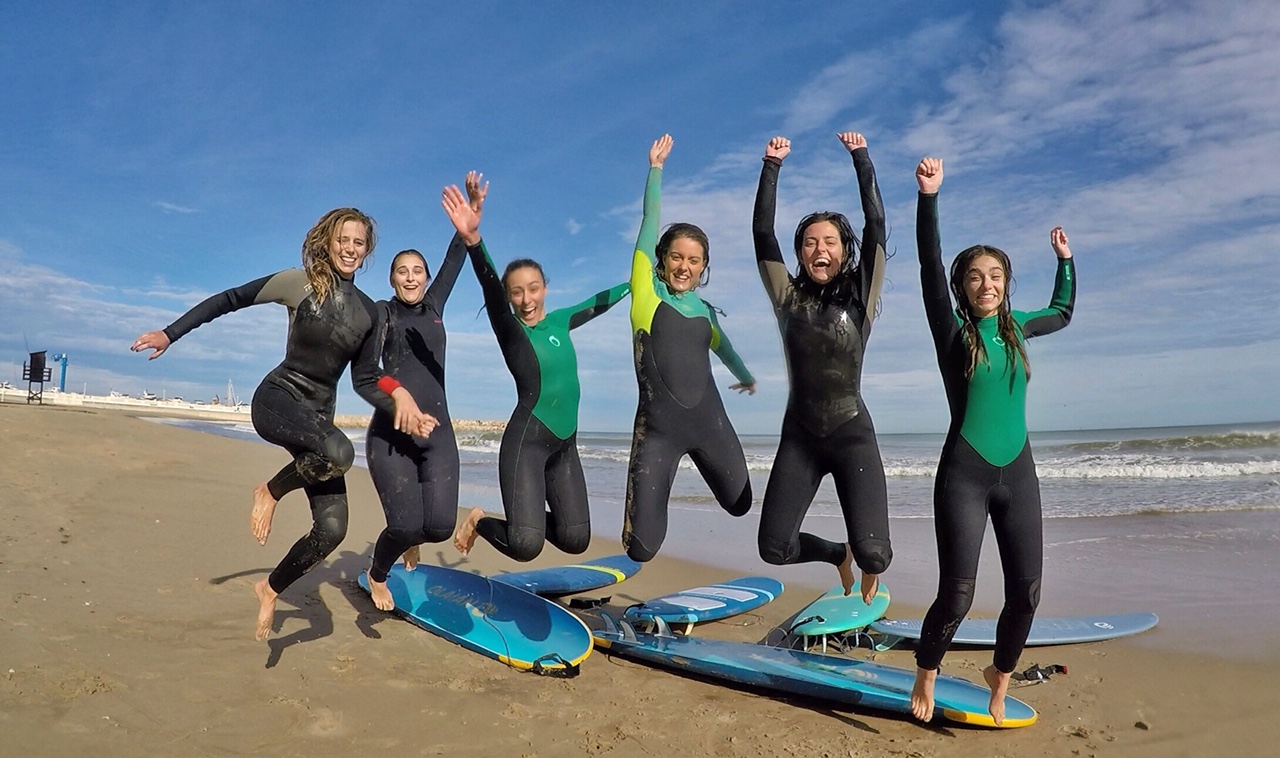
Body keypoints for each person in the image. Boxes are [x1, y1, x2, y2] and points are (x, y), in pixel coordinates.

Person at [130, 208, 434, 640]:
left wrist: (399, 400)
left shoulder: (370, 313)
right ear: (329, 242)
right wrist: (170, 333)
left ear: (367, 251)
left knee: (333, 529)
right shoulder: (301, 283)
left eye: (358, 243)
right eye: (342, 240)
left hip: (318, 419)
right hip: (279, 400)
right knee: (340, 452)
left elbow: (365, 378)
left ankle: (270, 589)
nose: (349, 249)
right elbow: (232, 298)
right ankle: (269, 491)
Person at [910, 157, 1075, 725]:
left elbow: (1064, 311)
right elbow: (930, 266)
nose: (987, 284)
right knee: (957, 594)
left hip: (1019, 474)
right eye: (976, 277)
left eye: (996, 276)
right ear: (964, 287)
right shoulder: (953, 334)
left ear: (1006, 285)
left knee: (1026, 593)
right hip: (965, 473)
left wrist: (1065, 260)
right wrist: (929, 198)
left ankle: (999, 678)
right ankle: (926, 670)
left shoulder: (1020, 327)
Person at [444, 175, 630, 561]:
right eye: (517, 292)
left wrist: (638, 283)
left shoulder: (561, 320)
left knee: (575, 539)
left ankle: (524, 520)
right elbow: (491, 289)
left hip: (565, 446)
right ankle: (481, 521)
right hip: (526, 443)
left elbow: (599, 302)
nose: (526, 299)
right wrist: (475, 242)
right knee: (525, 545)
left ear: (545, 287)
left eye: (533, 288)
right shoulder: (511, 330)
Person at [751, 132, 891, 604]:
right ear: (801, 252)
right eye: (810, 243)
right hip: (801, 436)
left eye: (829, 241)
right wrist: (771, 166)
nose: (819, 249)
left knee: (877, 557)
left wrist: (861, 159)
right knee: (774, 548)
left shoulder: (862, 293)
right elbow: (762, 234)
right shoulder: (786, 296)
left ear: (844, 249)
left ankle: (861, 555)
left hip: (852, 431)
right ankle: (836, 553)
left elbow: (876, 224)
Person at [622, 134, 756, 563]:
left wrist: (746, 377)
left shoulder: (706, 311)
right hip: (657, 431)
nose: (684, 267)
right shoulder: (645, 289)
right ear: (661, 257)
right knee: (642, 548)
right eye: (677, 257)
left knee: (741, 503)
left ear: (703, 267)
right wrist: (655, 169)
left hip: (709, 422)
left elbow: (726, 349)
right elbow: (650, 216)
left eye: (694, 260)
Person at [351, 199, 471, 611]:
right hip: (390, 437)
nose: (411, 277)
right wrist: (396, 397)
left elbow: (456, 258)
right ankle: (377, 573)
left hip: (438, 433)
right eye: (402, 271)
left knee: (437, 527)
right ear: (391, 278)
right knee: (403, 525)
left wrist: (467, 220)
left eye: (417, 271)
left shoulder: (435, 306)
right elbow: (365, 371)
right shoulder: (381, 313)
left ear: (426, 277)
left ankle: (412, 541)